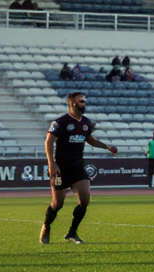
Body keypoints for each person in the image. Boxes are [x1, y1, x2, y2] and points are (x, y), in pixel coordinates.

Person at [41, 92, 118, 244]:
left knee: (84, 200)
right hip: (61, 168)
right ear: (72, 103)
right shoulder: (60, 122)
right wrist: (52, 163)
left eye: (84, 101)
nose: (84, 103)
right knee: (57, 204)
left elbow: (89, 139)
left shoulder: (86, 123)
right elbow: (48, 142)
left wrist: (106, 146)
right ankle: (46, 226)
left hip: (77, 167)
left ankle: (72, 232)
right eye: (81, 101)